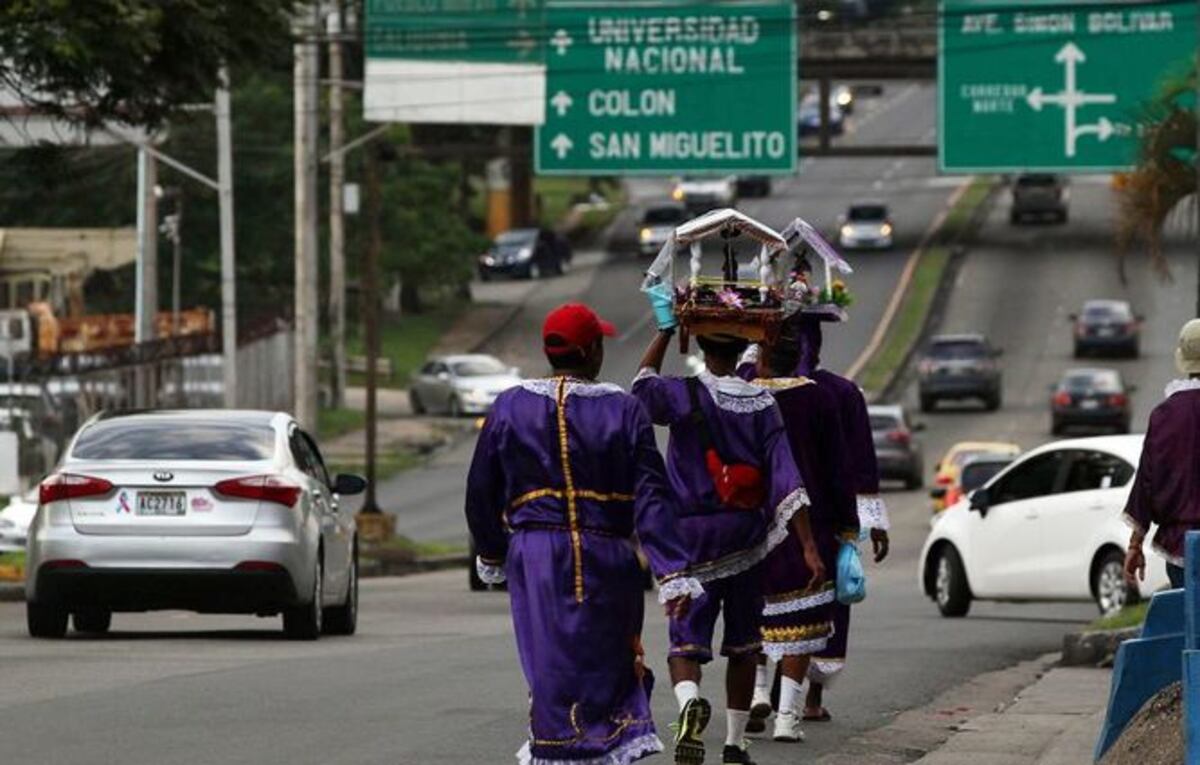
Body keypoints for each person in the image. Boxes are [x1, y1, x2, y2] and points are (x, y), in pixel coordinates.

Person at [465, 303, 703, 765]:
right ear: (592, 350)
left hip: (534, 558)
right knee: (607, 669)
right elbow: (652, 496)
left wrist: (494, 553)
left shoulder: (509, 407)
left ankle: (556, 749)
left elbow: (480, 491)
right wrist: (672, 569)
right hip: (606, 556)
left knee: (550, 669)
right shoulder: (624, 409)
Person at [632, 326, 824, 765]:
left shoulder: (682, 395)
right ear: (745, 349)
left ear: (700, 346)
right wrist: (808, 546)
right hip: (746, 538)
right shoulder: (763, 405)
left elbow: (641, 387)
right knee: (743, 645)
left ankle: (687, 707)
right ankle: (735, 744)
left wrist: (665, 331)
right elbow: (786, 477)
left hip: (690, 541)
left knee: (685, 642)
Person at [747, 311, 890, 722]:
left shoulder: (746, 389)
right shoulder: (835, 394)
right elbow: (850, 464)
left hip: (758, 518)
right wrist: (857, 523)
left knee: (756, 604)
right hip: (819, 519)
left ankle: (759, 691)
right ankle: (802, 704)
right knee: (815, 608)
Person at [1124, 318, 1200, 590]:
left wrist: (1135, 544)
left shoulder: (1165, 416)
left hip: (1180, 548)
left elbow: (1147, 480)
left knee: (1190, 627)